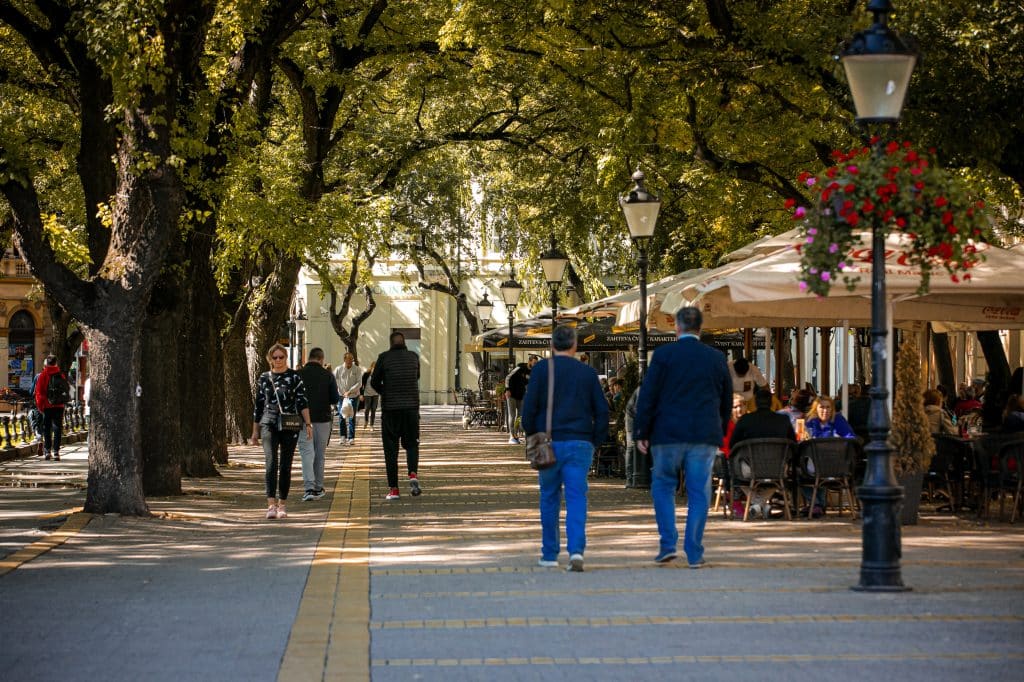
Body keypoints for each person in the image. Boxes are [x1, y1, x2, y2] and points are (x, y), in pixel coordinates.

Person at [634, 307, 732, 569]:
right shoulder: (716, 358)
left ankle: (668, 544)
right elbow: (726, 398)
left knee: (663, 486)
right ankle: (694, 551)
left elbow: (648, 395)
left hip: (667, 434)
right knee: (699, 492)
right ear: (701, 328)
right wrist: (721, 430)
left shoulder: (664, 355)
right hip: (704, 435)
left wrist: (642, 430)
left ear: (676, 327)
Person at [522, 325, 608, 572]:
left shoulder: (540, 370)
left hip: (548, 442)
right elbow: (601, 412)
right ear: (575, 345)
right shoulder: (587, 373)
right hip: (580, 443)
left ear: (551, 346)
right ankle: (577, 551)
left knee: (548, 497)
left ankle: (549, 554)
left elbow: (528, 411)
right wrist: (595, 440)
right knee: (576, 497)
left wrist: (532, 435)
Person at [251, 343, 311, 520]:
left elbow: (302, 402)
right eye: (275, 357)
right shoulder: (264, 377)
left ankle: (282, 504)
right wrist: (255, 432)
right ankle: (271, 504)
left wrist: (308, 424)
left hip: (289, 423)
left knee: (286, 464)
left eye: (281, 357)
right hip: (268, 423)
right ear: (270, 359)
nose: (278, 360)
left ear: (286, 358)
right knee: (271, 463)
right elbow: (259, 405)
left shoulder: (294, 377)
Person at [370, 331, 422, 500]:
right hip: (411, 409)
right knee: (412, 444)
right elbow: (417, 376)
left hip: (391, 409)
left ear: (390, 343)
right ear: (404, 342)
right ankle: (413, 474)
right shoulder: (413, 357)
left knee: (391, 450)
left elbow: (374, 381)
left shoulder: (384, 357)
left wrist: (385, 391)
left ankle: (394, 489)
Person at [297, 347, 340, 502]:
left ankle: (308, 487)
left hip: (303, 420)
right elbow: (335, 399)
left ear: (309, 358)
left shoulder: (298, 375)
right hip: (323, 419)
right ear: (321, 359)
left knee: (306, 454)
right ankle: (318, 487)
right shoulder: (327, 375)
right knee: (319, 455)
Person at [731, 387, 797, 448]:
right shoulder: (784, 420)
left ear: (756, 403)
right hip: (780, 459)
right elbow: (794, 443)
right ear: (771, 403)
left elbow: (733, 444)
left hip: (751, 459)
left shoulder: (745, 420)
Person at [33, 355, 69, 461]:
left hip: (47, 406)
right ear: (55, 363)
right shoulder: (60, 375)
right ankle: (56, 452)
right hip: (59, 405)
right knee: (58, 428)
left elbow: (38, 393)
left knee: (47, 429)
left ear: (46, 364)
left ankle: (48, 451)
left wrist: (40, 407)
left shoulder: (43, 375)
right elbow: (65, 389)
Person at [505, 356, 534, 444]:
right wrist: (507, 389)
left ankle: (516, 436)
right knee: (512, 415)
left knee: (520, 417)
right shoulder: (520, 367)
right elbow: (508, 377)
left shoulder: (532, 372)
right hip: (511, 394)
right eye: (534, 363)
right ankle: (511, 436)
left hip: (521, 396)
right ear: (529, 361)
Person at [334, 352, 362, 445]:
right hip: (341, 396)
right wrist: (341, 392)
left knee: (351, 416)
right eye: (348, 359)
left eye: (351, 359)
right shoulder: (338, 369)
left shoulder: (357, 369)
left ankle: (351, 437)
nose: (350, 361)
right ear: (344, 359)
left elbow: (359, 383)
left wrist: (349, 391)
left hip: (353, 396)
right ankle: (343, 436)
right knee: (342, 416)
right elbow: (335, 381)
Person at [721, 393, 746, 458]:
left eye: (741, 405)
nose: (739, 410)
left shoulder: (748, 422)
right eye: (735, 407)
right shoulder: (725, 426)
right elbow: (725, 449)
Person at [360, 361, 379, 431]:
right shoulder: (366, 374)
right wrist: (361, 394)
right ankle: (366, 421)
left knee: (373, 409)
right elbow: (361, 385)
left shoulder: (378, 375)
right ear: (371, 367)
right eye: (374, 367)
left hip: (375, 394)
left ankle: (371, 425)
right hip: (367, 394)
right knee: (367, 408)